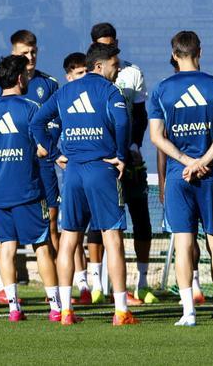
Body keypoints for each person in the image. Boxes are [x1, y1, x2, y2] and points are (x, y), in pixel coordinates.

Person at [29, 42, 135, 326]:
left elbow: (36, 122)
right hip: (102, 168)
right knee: (112, 239)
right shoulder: (110, 92)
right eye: (115, 64)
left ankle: (65, 311)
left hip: (73, 172)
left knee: (68, 238)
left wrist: (54, 153)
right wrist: (121, 155)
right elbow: (123, 123)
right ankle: (121, 311)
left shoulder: (65, 91)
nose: (118, 69)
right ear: (99, 66)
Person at [147, 31, 213, 326]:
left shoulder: (161, 90)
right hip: (210, 173)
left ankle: (188, 311)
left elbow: (156, 137)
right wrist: (202, 161)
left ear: (174, 54)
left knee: (184, 244)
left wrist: (188, 162)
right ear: (199, 50)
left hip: (179, 176)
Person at [0, 55, 61, 323]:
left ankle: (13, 308)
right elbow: (44, 149)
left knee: (6, 248)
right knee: (42, 246)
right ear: (21, 78)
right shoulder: (32, 108)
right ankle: (56, 308)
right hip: (28, 191)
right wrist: (28, 151)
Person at [90, 22, 154, 304]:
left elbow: (139, 115)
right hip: (99, 158)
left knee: (140, 216)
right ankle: (94, 285)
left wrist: (134, 144)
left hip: (128, 157)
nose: (110, 50)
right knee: (98, 222)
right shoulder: (87, 76)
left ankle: (141, 283)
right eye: (104, 45)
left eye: (112, 44)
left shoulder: (131, 72)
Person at [12, 30, 63, 246]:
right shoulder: (4, 84)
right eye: (25, 53)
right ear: (14, 53)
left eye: (33, 52)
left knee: (51, 220)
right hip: (15, 162)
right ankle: (4, 278)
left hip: (43, 161)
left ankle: (60, 279)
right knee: (9, 225)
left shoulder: (49, 84)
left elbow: (56, 122)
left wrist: (45, 146)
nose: (30, 57)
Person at [60, 51, 96, 304]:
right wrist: (54, 154)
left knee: (103, 231)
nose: (84, 77)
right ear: (69, 76)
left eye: (87, 72)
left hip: (95, 171)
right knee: (70, 232)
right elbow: (42, 126)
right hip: (73, 172)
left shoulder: (96, 96)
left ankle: (94, 285)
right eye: (79, 73)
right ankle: (77, 288)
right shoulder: (62, 98)